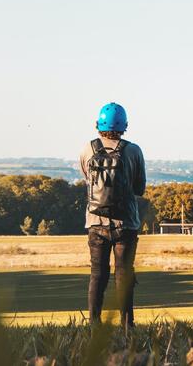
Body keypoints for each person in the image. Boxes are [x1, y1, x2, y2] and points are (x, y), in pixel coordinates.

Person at [79, 102, 146, 329]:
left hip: (95, 222)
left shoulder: (88, 149)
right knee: (124, 273)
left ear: (98, 124)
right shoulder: (133, 150)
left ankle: (94, 323)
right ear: (124, 125)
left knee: (97, 274)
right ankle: (127, 325)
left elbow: (88, 181)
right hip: (126, 223)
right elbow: (140, 188)